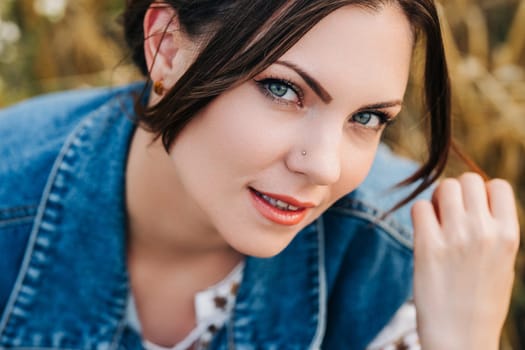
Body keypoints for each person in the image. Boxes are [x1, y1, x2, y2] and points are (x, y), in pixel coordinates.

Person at [0, 0, 519, 349]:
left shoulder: (407, 261)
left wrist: (461, 339)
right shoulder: (10, 198)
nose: (325, 166)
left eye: (367, 118)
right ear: (166, 48)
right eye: (283, 89)